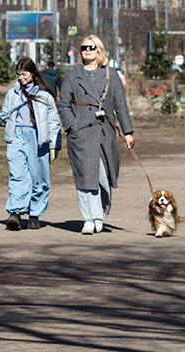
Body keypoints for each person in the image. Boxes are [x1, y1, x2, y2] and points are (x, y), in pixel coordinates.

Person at [57, 34, 134, 235]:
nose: (87, 51)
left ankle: (99, 211)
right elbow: (63, 103)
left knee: (103, 177)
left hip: (104, 134)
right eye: (83, 48)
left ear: (98, 50)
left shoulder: (111, 75)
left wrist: (127, 132)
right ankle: (90, 219)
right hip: (80, 136)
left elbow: (120, 105)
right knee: (84, 178)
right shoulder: (73, 76)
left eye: (91, 47)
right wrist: (72, 125)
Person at [0, 58, 61, 230]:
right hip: (16, 136)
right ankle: (15, 213)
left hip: (38, 139)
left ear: (33, 74)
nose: (21, 78)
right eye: (18, 75)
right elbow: (5, 118)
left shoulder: (44, 96)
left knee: (39, 178)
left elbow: (53, 123)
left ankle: (34, 214)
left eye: (24, 75)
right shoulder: (12, 94)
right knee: (18, 175)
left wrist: (54, 146)